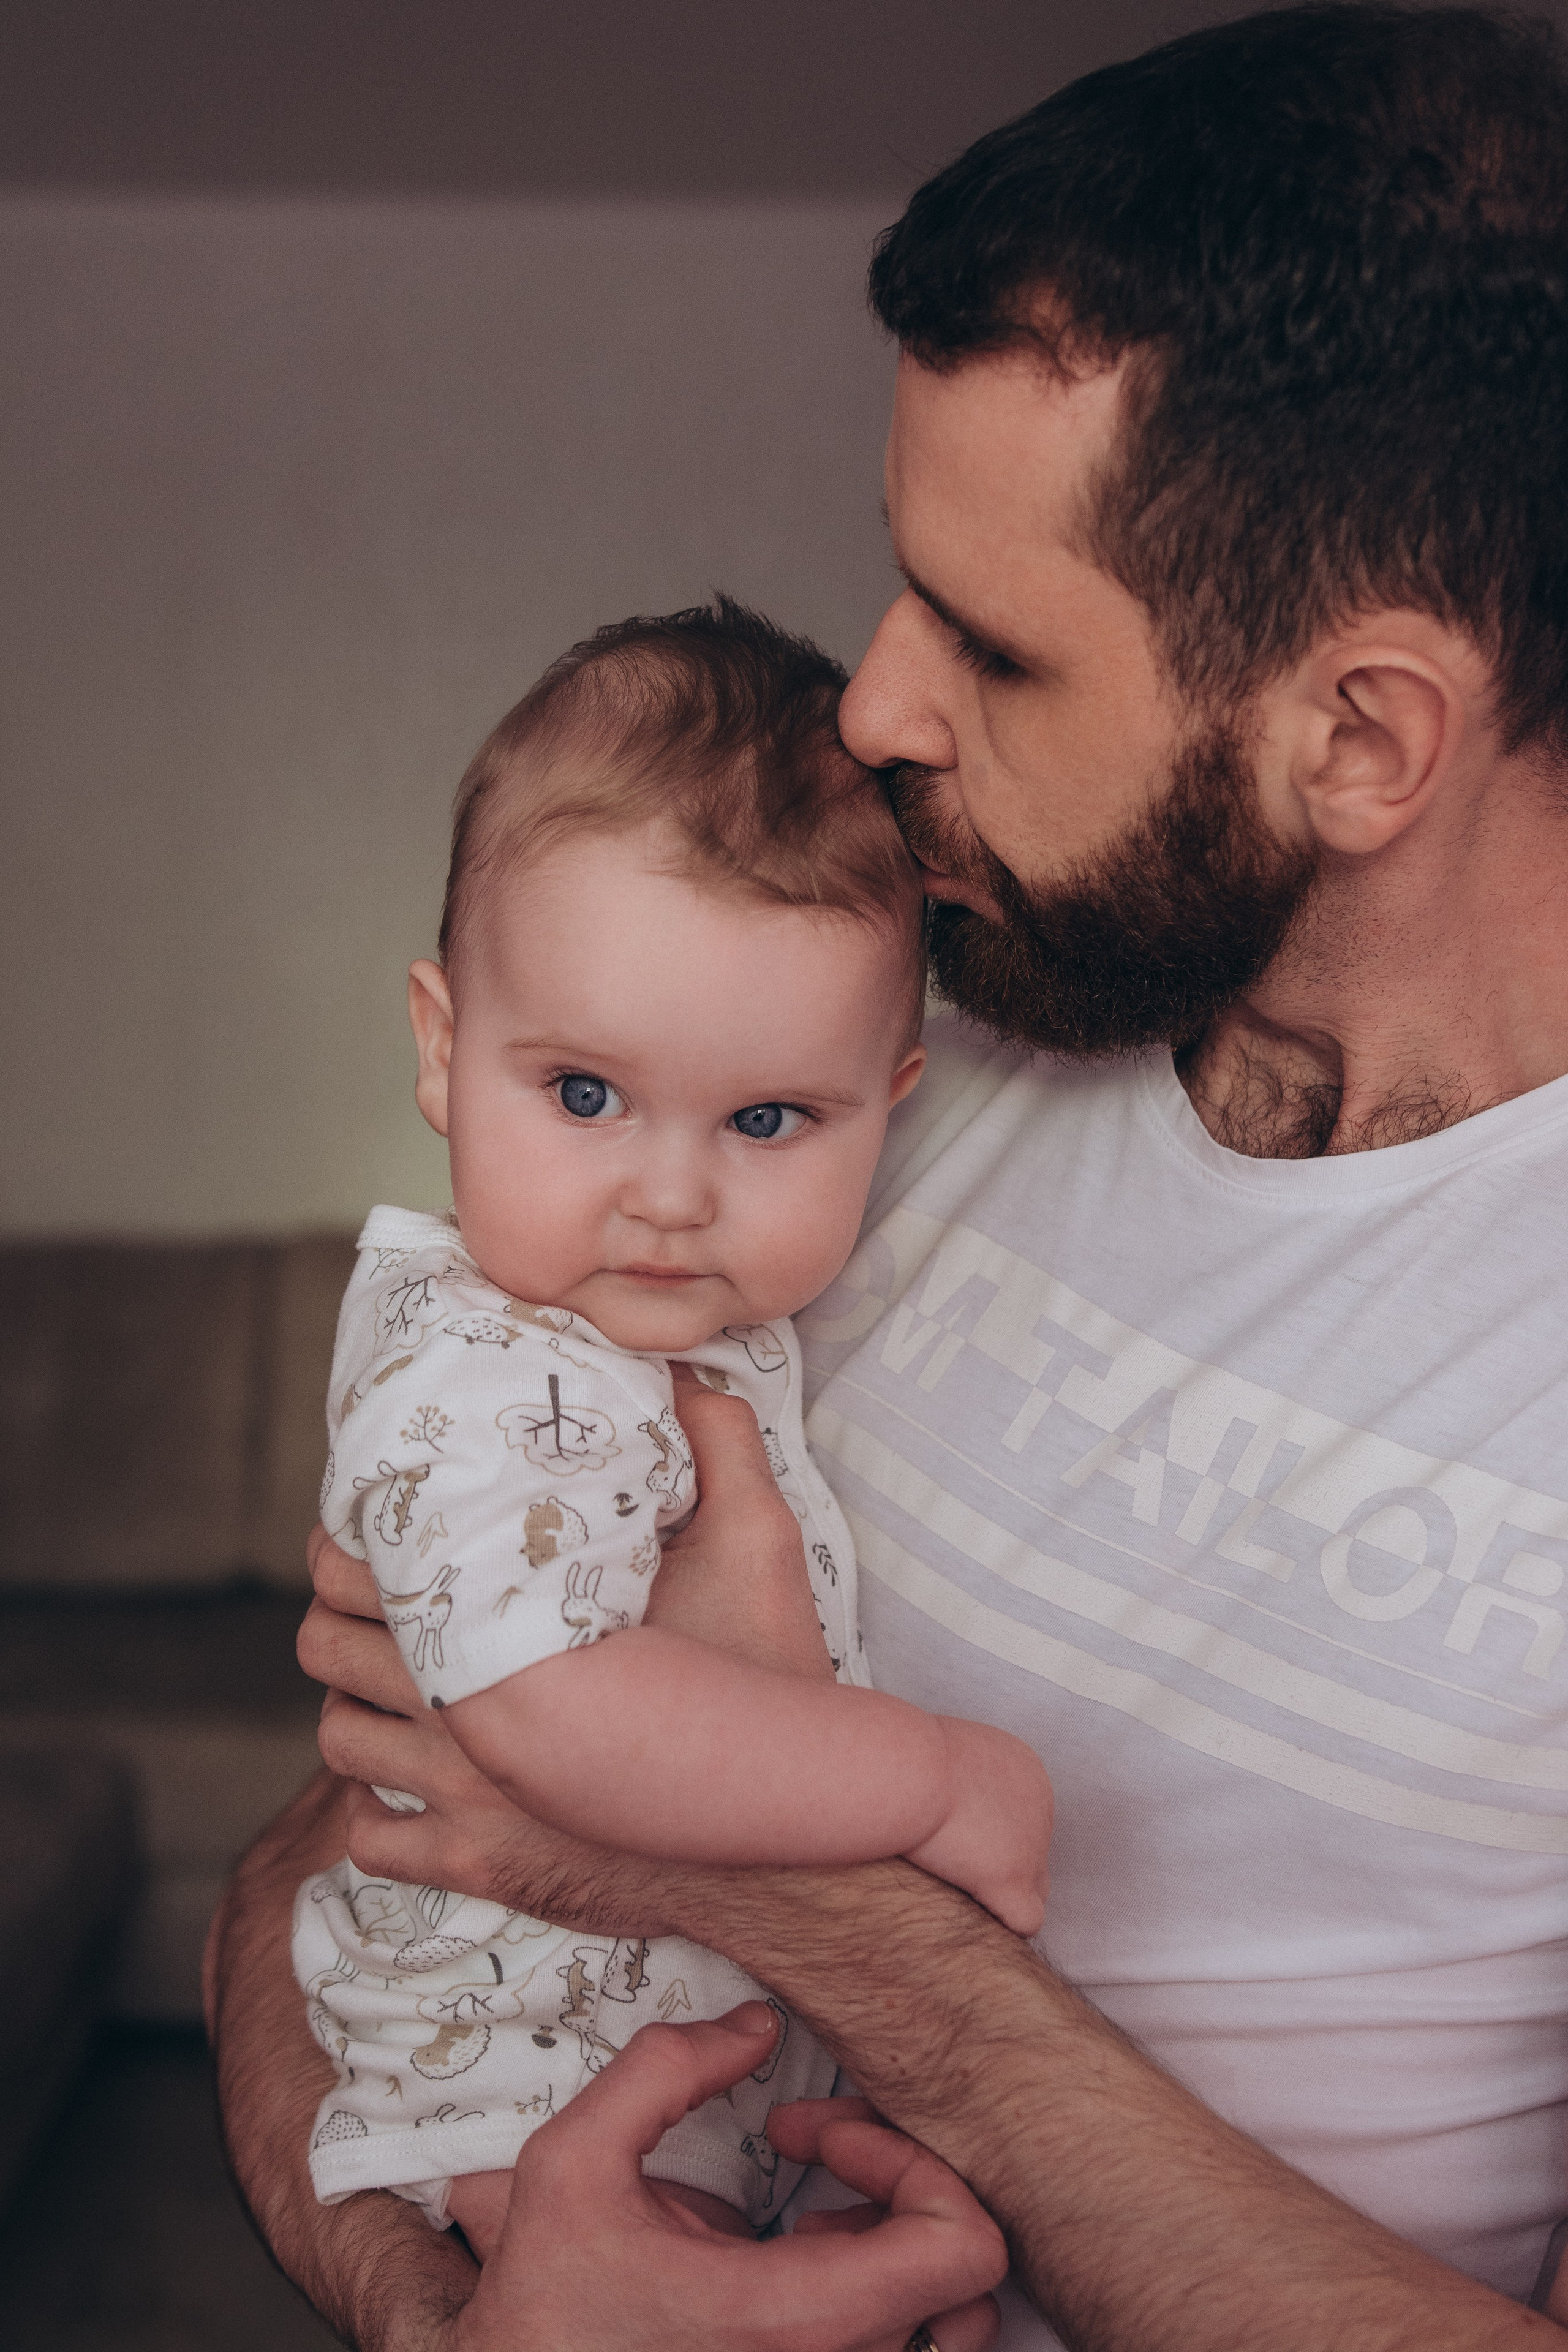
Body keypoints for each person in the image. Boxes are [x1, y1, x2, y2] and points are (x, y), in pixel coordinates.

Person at [206, 4, 1568, 2345]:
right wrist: (441, 2312)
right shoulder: (853, 1085)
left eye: (997, 650)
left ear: (1363, 736)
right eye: (901, 582)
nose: (873, 707)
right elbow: (337, 1861)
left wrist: (806, 1903)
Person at [291, 598, 1047, 2261]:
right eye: (585, 1095)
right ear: (443, 1050)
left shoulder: (687, 1334)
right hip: (531, 2092)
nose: (672, 1193)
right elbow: (545, 1712)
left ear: (890, 1106)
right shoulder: (482, 1373)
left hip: (683, 2064)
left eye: (768, 1119)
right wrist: (930, 1779)